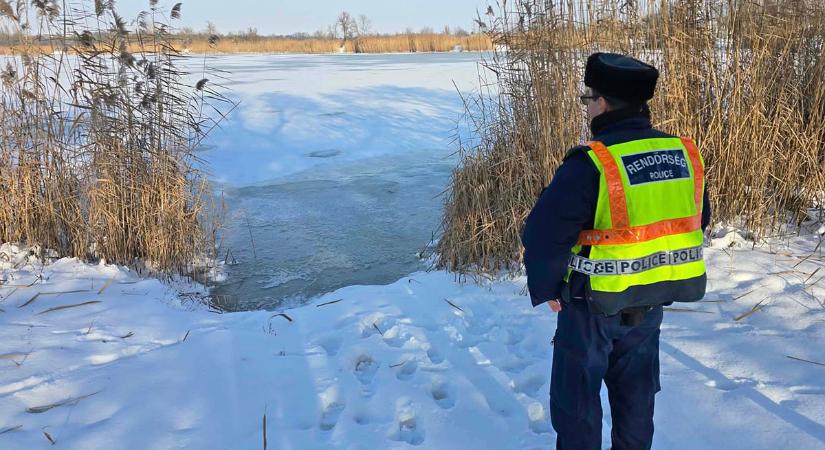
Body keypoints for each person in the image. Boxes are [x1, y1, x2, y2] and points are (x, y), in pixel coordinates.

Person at [521, 52, 712, 450]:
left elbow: (542, 235)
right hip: (650, 303)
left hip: (590, 307)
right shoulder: (684, 155)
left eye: (588, 98)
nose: (588, 105)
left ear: (602, 103)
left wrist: (548, 288)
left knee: (577, 405)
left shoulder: (594, 162)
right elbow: (697, 219)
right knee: (637, 401)